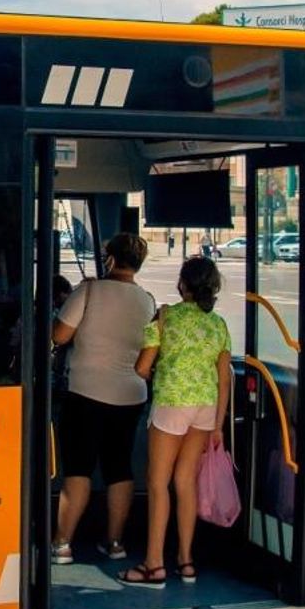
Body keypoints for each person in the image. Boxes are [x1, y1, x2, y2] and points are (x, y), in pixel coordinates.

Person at [119, 257, 231, 588]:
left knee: (158, 483)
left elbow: (141, 368)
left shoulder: (166, 317)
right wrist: (219, 425)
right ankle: (186, 561)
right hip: (205, 409)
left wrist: (161, 373)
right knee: (185, 481)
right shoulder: (219, 325)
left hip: (171, 404)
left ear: (182, 285)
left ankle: (154, 565)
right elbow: (224, 379)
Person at [51, 233, 156, 565]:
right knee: (119, 467)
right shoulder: (147, 300)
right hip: (130, 396)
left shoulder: (89, 290)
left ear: (110, 258)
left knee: (79, 468)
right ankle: (114, 543)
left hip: (86, 393)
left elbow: (59, 335)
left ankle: (63, 543)